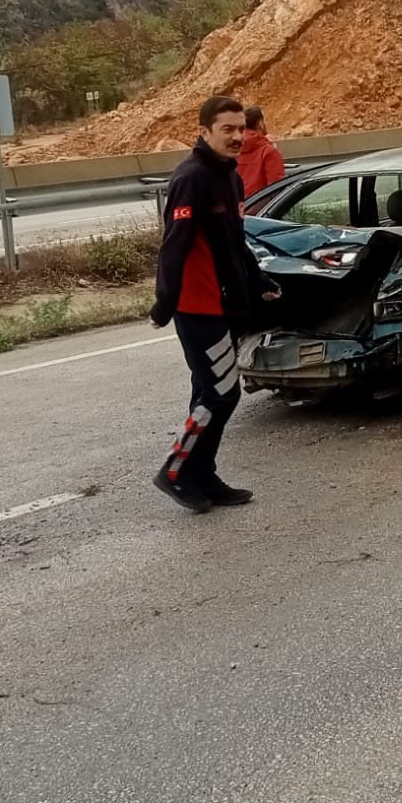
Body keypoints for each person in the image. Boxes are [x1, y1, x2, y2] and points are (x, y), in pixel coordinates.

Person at [150, 96, 283, 513]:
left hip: (224, 303)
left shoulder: (230, 177)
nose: (237, 137)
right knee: (221, 393)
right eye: (227, 129)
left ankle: (201, 475)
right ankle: (175, 470)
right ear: (204, 131)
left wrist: (258, 281)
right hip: (196, 305)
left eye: (241, 128)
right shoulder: (192, 177)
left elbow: (233, 241)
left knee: (207, 391)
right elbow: (175, 244)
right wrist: (164, 302)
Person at [237, 106, 287, 198]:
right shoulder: (269, 152)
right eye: (265, 120)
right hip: (261, 210)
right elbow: (277, 189)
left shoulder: (231, 150)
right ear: (260, 123)